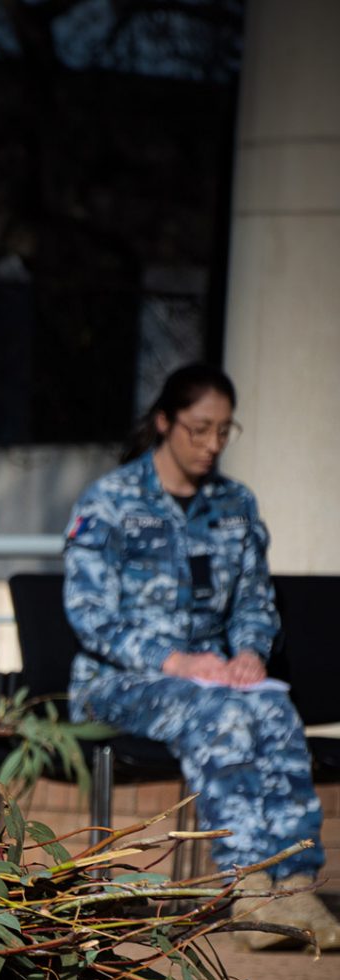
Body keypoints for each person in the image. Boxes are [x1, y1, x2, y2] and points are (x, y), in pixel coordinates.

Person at [64, 362, 338, 949]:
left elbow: (255, 601)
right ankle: (248, 882)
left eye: (224, 431)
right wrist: (174, 662)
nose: (212, 444)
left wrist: (248, 652)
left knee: (273, 712)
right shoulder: (111, 500)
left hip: (217, 677)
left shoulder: (235, 504)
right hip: (121, 680)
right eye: (199, 428)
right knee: (215, 715)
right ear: (165, 421)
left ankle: (294, 882)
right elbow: (89, 614)